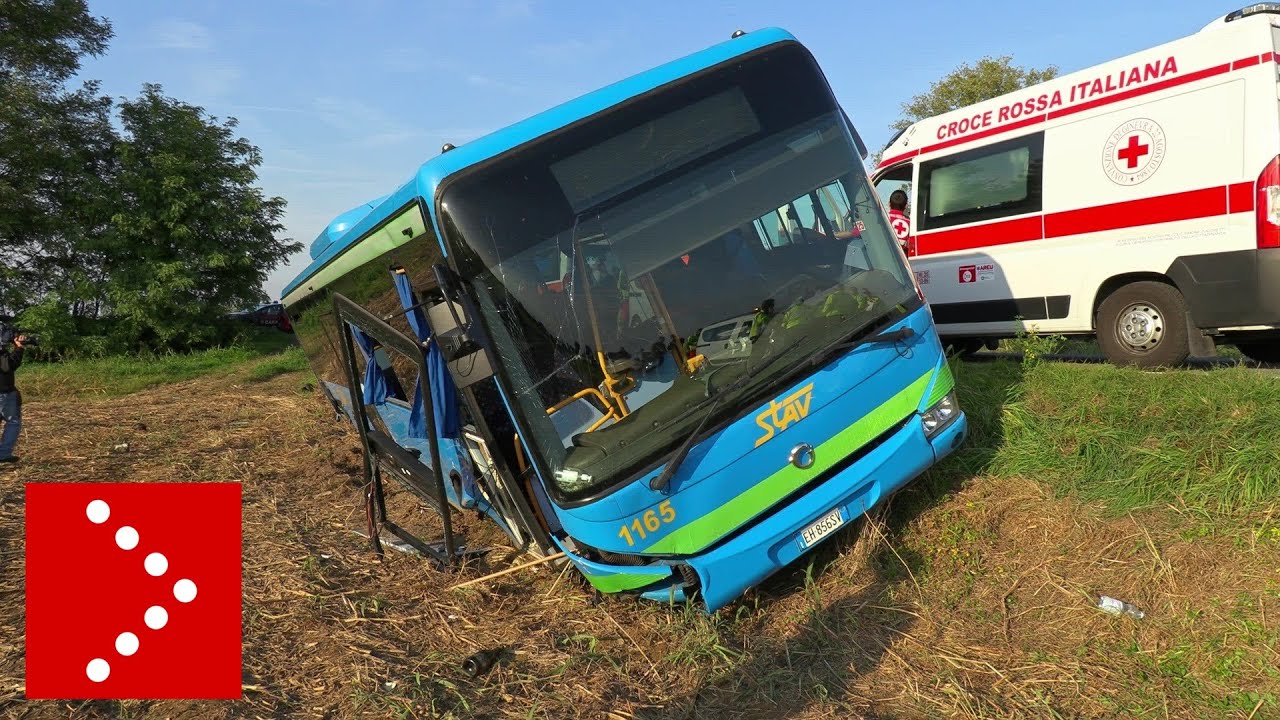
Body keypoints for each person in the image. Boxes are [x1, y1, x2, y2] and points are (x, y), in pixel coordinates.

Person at [0, 328, 25, 464]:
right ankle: (3, 454)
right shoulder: (1, 353)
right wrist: (19, 348)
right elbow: (8, 366)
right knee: (13, 422)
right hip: (4, 394)